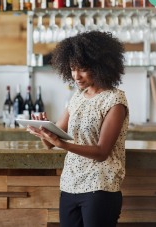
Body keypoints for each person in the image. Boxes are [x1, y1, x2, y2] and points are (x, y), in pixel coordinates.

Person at [27, 30, 129, 227]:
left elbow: (101, 152)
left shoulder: (114, 100)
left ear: (100, 66)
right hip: (69, 186)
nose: (76, 76)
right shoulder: (78, 96)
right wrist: (43, 132)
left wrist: (62, 144)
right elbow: (50, 143)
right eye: (72, 69)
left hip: (100, 188)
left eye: (82, 69)